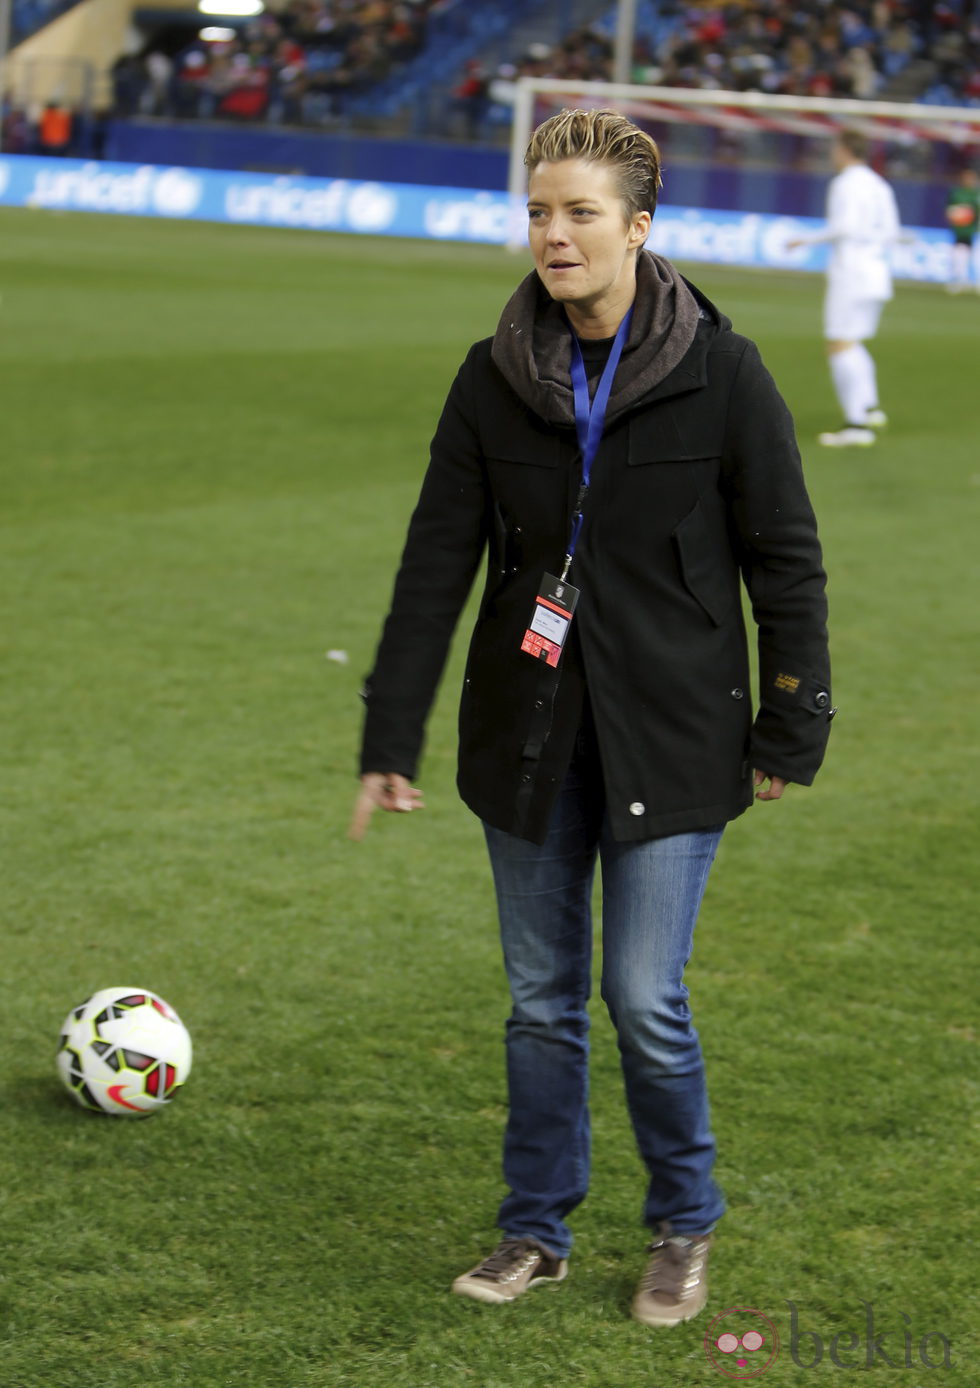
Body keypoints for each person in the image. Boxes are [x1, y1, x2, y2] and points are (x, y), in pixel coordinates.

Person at [351, 108, 833, 1328]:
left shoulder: (722, 371)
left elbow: (784, 558)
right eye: (536, 211)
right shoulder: (490, 374)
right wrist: (387, 737)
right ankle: (534, 1227)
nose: (551, 235)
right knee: (538, 999)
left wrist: (791, 724)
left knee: (641, 995)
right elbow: (432, 566)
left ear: (638, 227)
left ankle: (682, 1223)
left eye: (577, 213)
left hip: (673, 732)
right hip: (526, 732)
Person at [787, 129, 901, 448]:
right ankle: (870, 407)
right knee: (854, 342)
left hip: (851, 273)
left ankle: (856, 425)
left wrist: (803, 240)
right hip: (877, 272)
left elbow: (844, 227)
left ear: (845, 150)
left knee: (839, 344)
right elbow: (891, 231)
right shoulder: (879, 184)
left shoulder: (845, 184)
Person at [944, 167, 980, 294]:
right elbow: (949, 209)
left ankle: (976, 282)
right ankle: (959, 279)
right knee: (958, 255)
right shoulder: (956, 192)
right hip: (960, 230)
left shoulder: (976, 194)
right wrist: (957, 215)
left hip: (974, 230)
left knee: (976, 257)